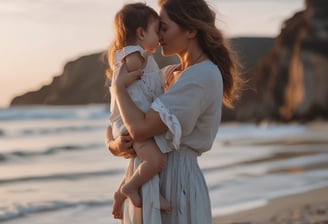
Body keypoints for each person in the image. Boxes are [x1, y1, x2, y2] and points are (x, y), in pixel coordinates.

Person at [106, 0, 242, 223]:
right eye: (157, 28)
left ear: (190, 30)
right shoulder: (168, 75)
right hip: (146, 180)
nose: (159, 35)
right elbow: (122, 121)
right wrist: (113, 145)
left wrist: (118, 88)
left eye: (164, 27)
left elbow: (139, 130)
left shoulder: (202, 76)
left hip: (178, 185)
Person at [106, 2, 172, 221]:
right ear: (141, 32)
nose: (160, 36)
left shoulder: (142, 57)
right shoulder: (134, 57)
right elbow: (130, 79)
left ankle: (121, 191)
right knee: (156, 161)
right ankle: (130, 188)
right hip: (130, 124)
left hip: (130, 121)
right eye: (157, 30)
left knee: (144, 160)